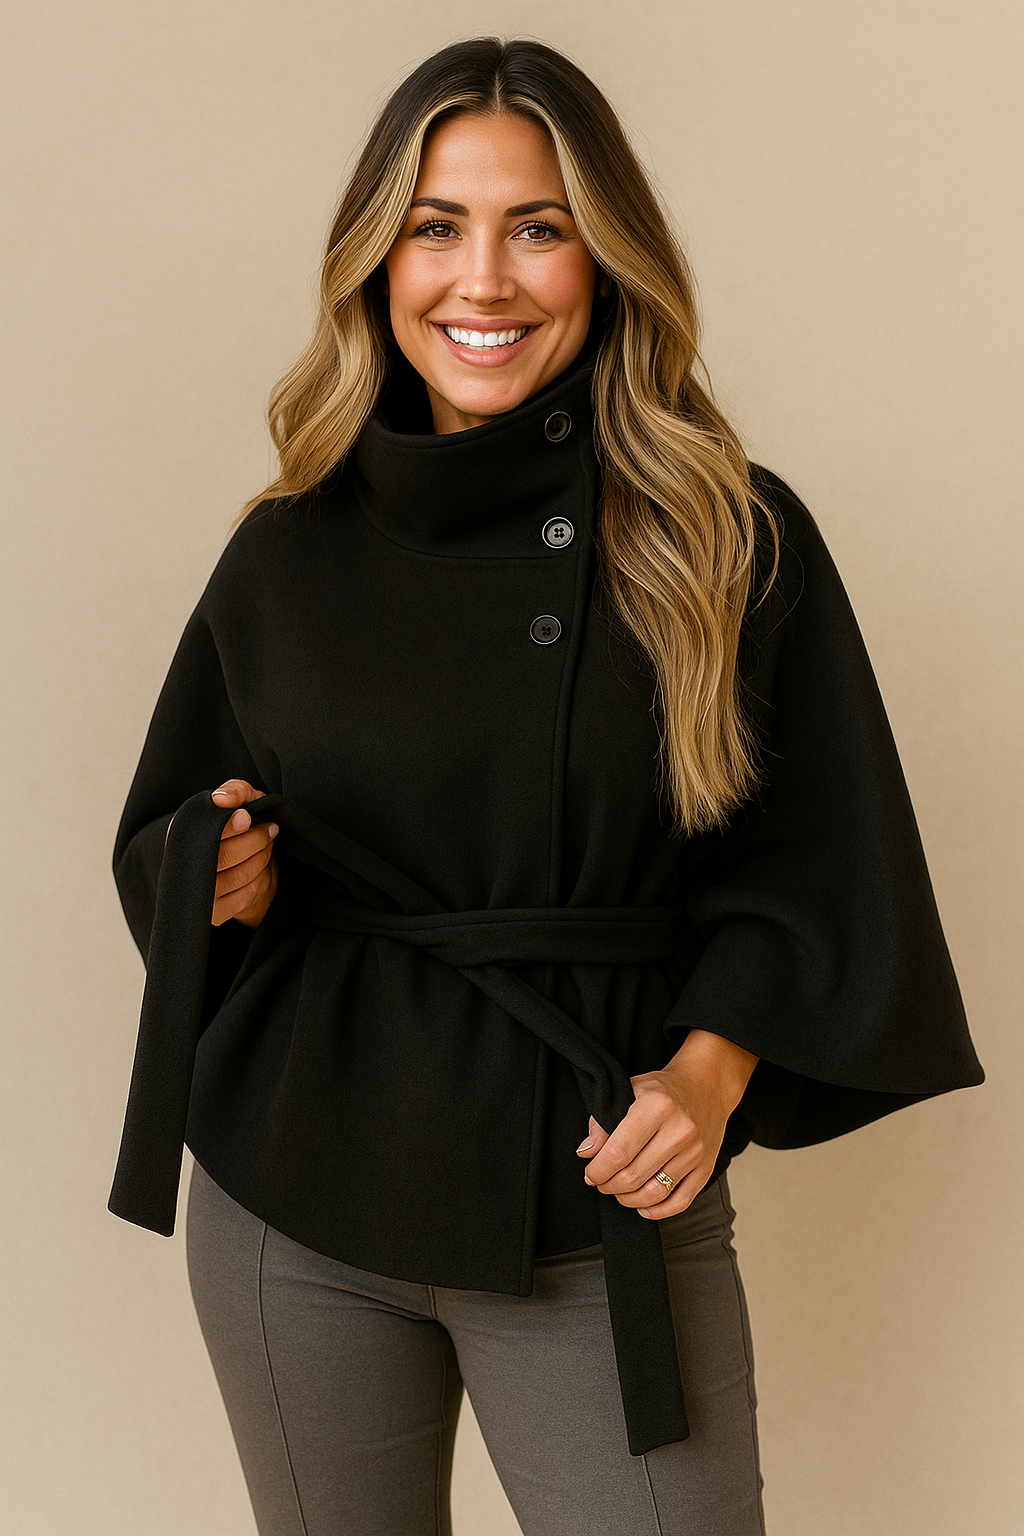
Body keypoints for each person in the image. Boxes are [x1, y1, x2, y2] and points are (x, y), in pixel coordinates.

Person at [107, 36, 982, 1536]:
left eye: (537, 227)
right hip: (294, 1193)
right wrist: (213, 871)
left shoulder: (726, 535)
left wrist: (708, 1079)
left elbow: (822, 864)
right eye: (436, 227)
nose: (483, 280)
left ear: (608, 256)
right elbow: (170, 826)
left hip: (594, 1190)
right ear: (378, 263)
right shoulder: (289, 542)